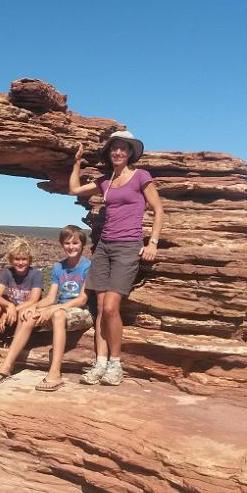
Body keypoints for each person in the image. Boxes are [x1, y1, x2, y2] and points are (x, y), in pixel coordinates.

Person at [69, 129, 164, 386]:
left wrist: (152, 242)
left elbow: (158, 210)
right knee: (99, 308)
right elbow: (74, 189)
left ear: (130, 152)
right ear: (109, 152)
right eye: (114, 148)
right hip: (104, 246)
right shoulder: (105, 181)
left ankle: (115, 364)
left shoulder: (140, 176)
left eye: (123, 148)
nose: (118, 152)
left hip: (127, 246)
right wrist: (76, 164)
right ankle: (99, 363)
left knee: (111, 307)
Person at [0, 225, 92, 391]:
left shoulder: (88, 266)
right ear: (62, 244)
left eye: (75, 243)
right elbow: (51, 297)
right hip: (61, 307)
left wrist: (55, 308)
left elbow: (82, 299)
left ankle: (55, 373)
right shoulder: (59, 267)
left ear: (83, 245)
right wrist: (34, 307)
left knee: (57, 314)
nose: (71, 247)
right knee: (26, 314)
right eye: (67, 243)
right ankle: (7, 365)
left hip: (83, 311)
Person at [0, 238, 44, 374]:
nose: (20, 263)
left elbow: (33, 300)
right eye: (17, 259)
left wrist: (12, 309)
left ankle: (9, 360)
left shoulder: (36, 275)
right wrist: (8, 307)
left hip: (26, 313)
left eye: (24, 259)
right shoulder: (7, 272)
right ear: (11, 259)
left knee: (23, 313)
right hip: (12, 310)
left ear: (29, 260)